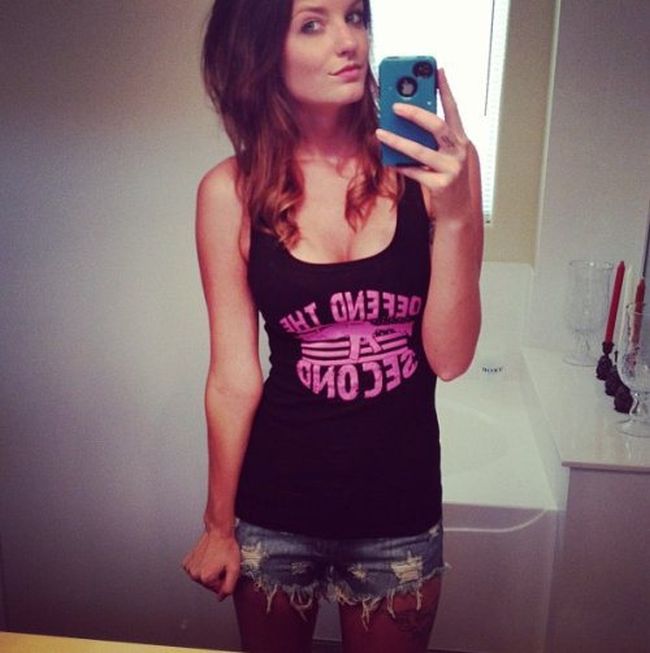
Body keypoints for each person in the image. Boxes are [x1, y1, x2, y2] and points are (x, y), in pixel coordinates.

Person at [182, 0, 483, 651]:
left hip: (399, 513)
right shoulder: (230, 192)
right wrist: (218, 524)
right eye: (313, 24)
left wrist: (458, 214)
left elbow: (451, 357)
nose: (348, 40)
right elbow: (233, 378)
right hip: (274, 508)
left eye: (354, 16)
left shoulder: (434, 174)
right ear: (261, 50)